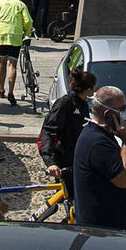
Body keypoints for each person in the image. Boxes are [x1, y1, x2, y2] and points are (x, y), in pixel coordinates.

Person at [73, 85, 126, 231]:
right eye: (122, 109)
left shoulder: (98, 135)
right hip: (104, 233)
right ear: (108, 114)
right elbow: (123, 180)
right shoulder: (97, 143)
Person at [39, 68, 96, 199]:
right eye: (94, 89)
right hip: (65, 163)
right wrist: (51, 162)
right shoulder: (65, 103)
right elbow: (47, 132)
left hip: (77, 161)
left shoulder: (83, 104)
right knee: (70, 201)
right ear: (88, 90)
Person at [0, 0, 33, 106]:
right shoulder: (20, 4)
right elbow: (28, 21)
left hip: (2, 36)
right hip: (15, 36)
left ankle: (1, 89)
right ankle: (11, 92)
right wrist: (27, 34)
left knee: (2, 62)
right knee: (12, 65)